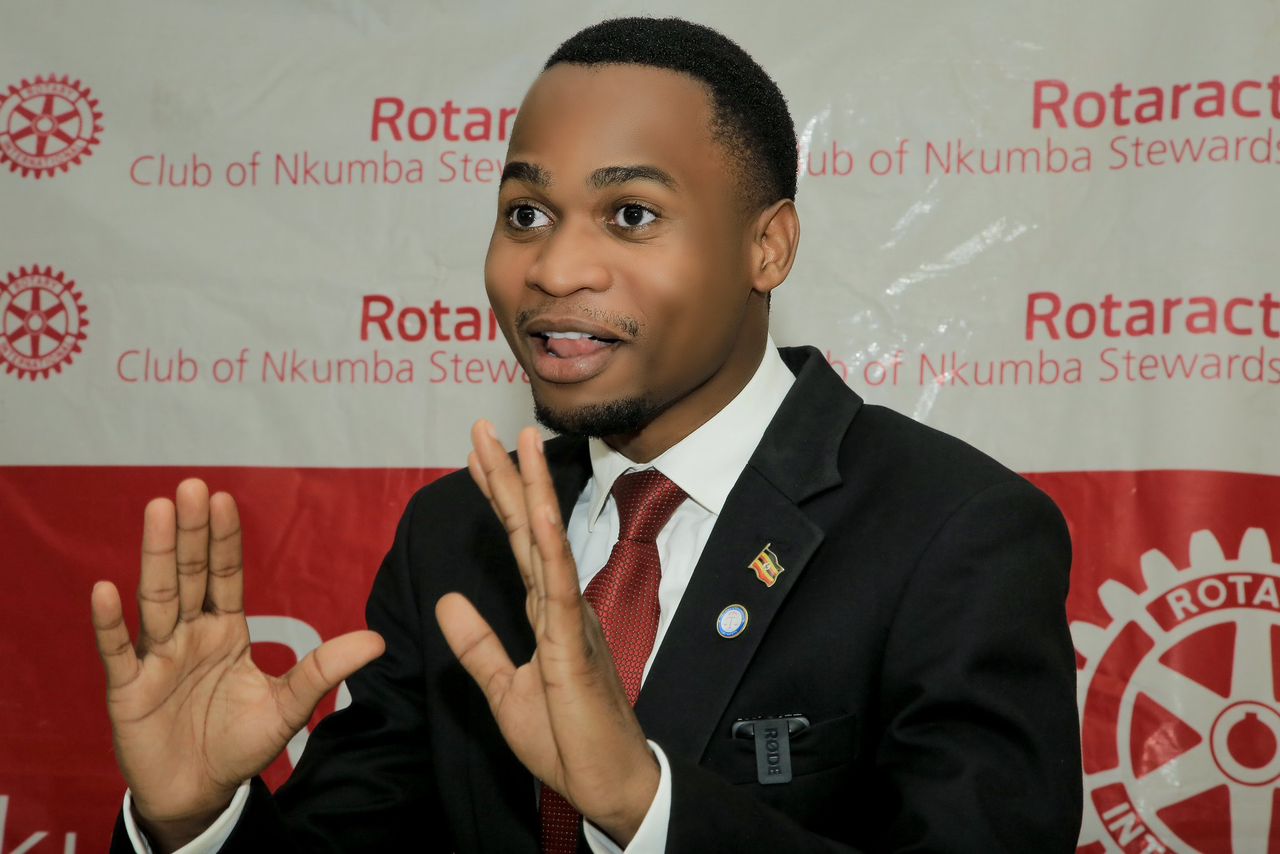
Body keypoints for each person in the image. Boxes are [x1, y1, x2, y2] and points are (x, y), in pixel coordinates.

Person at [93, 16, 1082, 853]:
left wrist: (643, 803)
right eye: (526, 212)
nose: (556, 267)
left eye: (630, 213)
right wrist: (194, 821)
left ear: (766, 245)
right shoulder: (458, 534)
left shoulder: (955, 532)